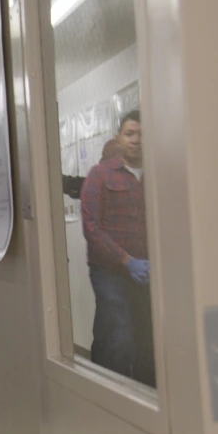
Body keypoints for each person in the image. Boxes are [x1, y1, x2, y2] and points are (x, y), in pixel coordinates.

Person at [81, 110, 155, 387]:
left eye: (142, 134)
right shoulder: (99, 175)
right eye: (130, 133)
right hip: (109, 271)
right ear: (119, 138)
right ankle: (109, 397)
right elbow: (92, 227)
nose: (136, 140)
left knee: (148, 341)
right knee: (120, 337)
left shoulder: (159, 176)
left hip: (149, 271)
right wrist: (127, 260)